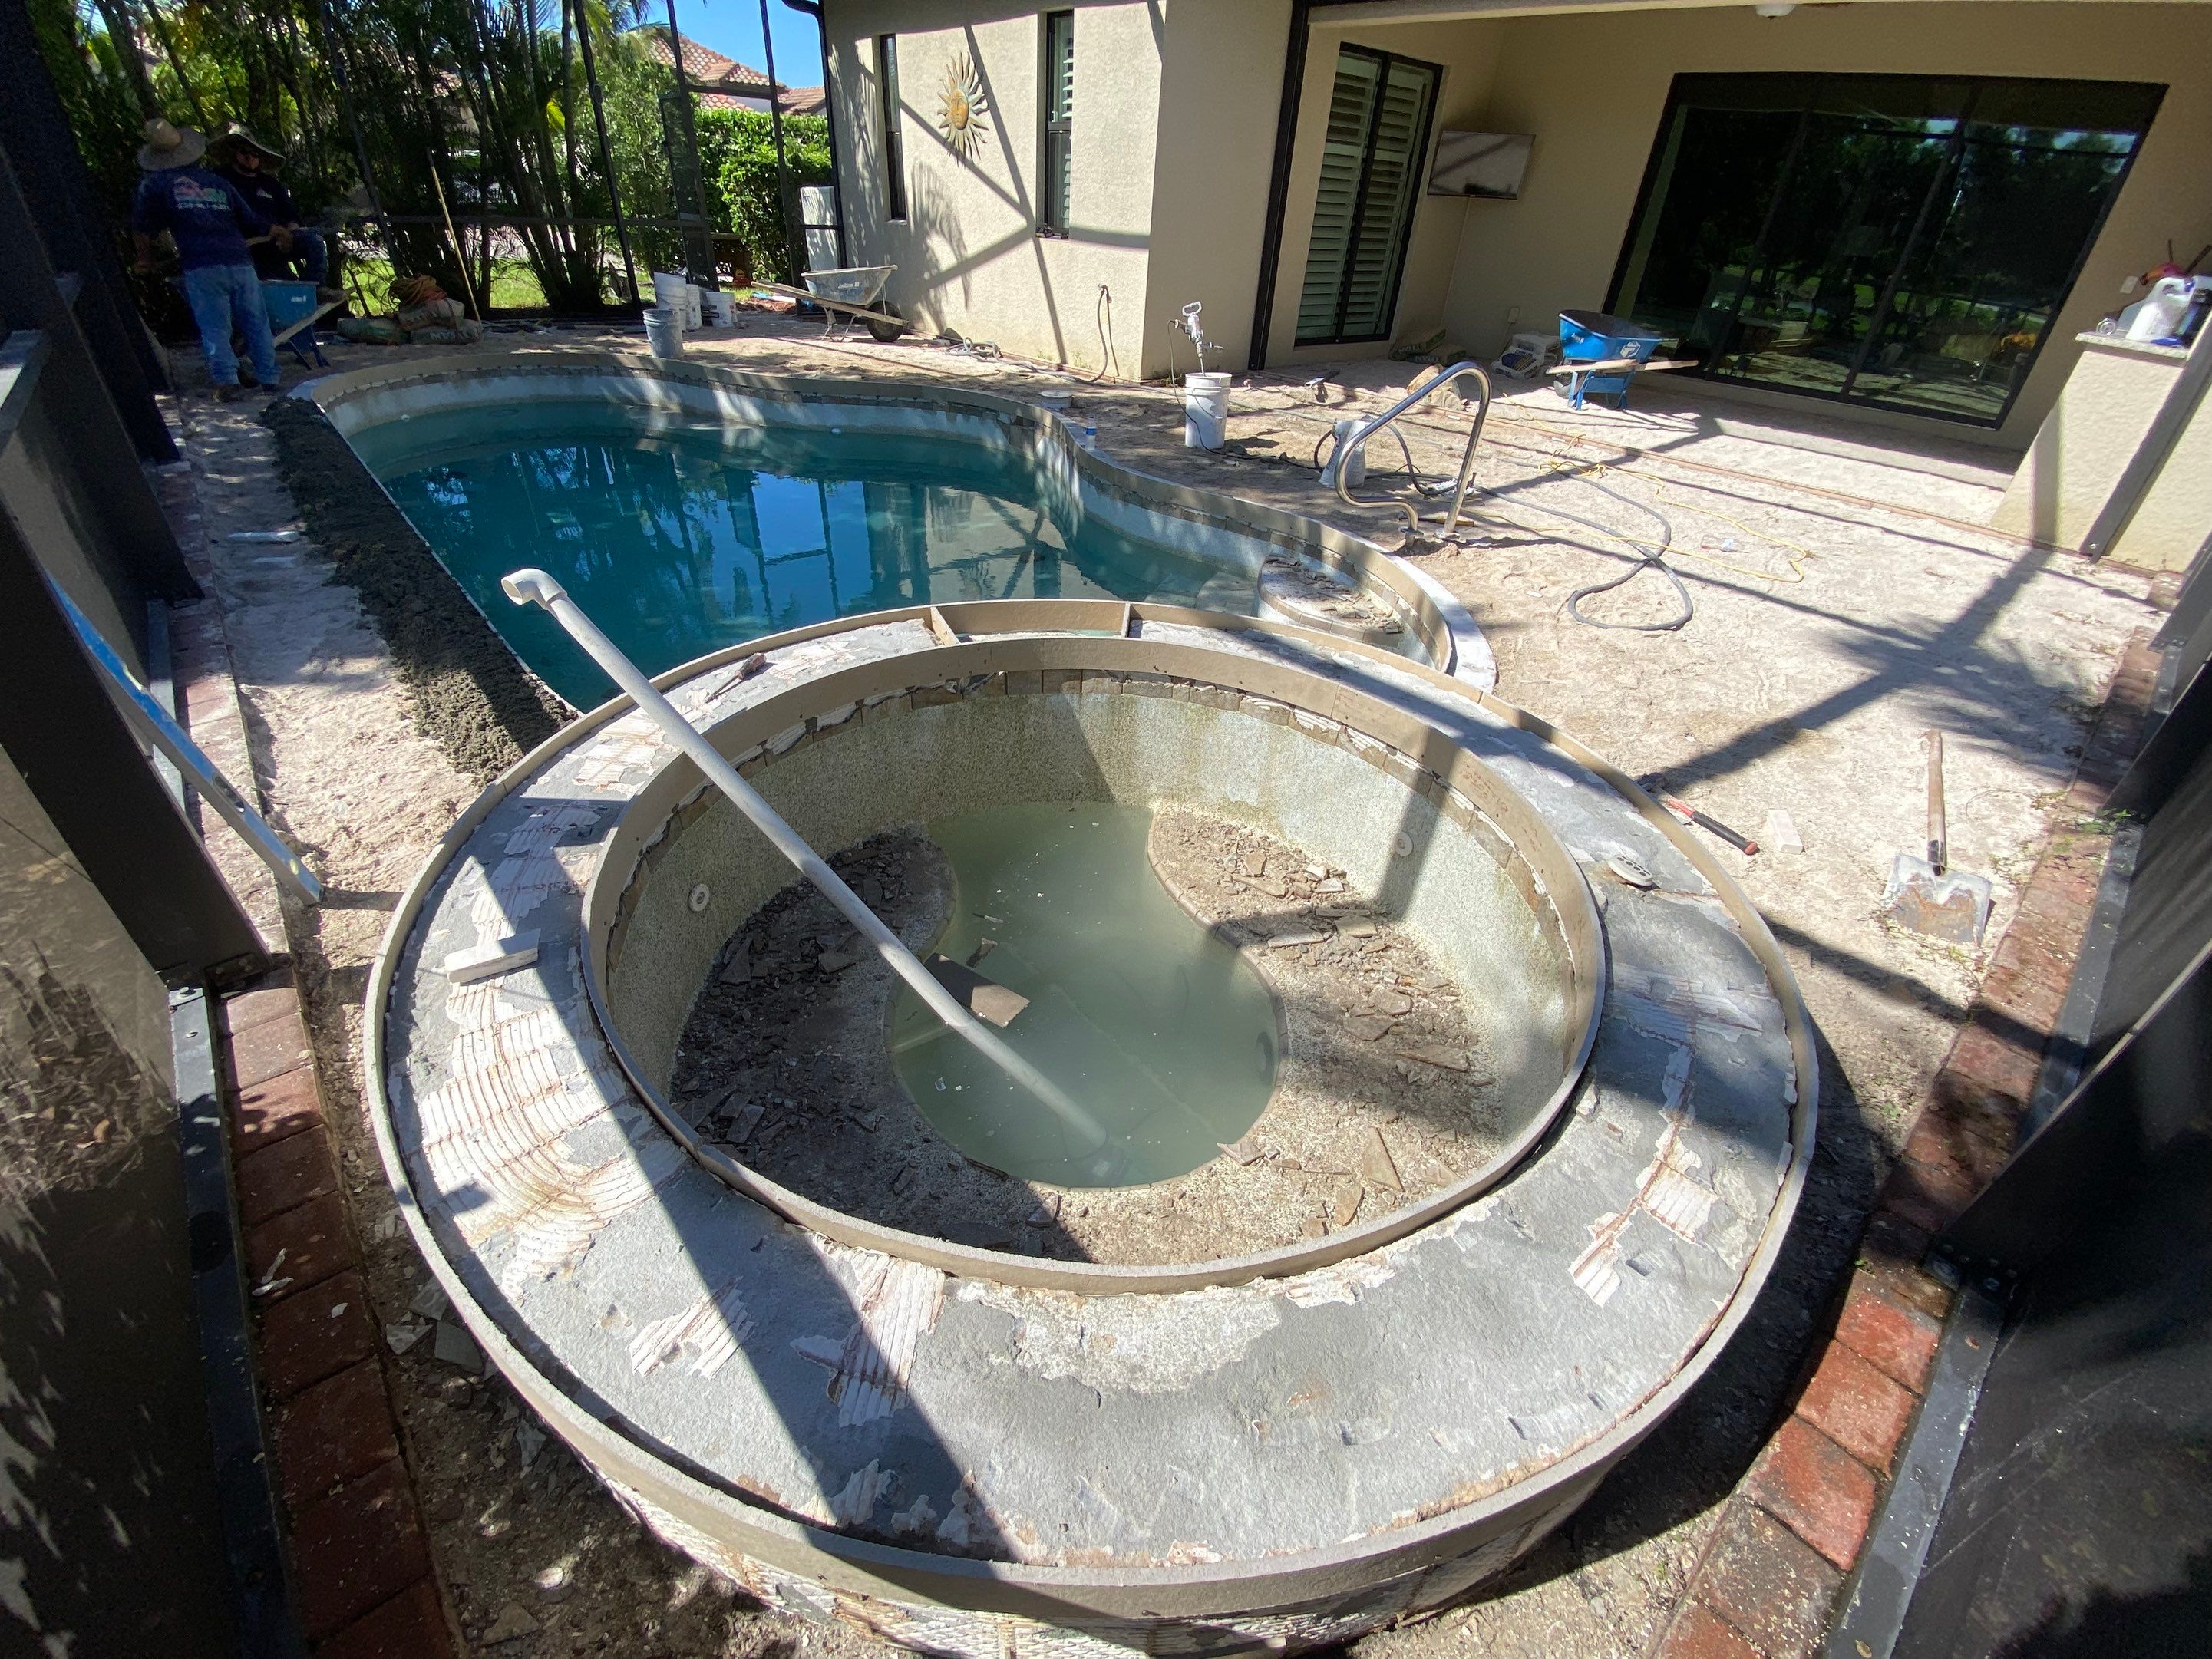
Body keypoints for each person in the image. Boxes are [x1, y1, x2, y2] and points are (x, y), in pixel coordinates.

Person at [130, 118, 288, 401]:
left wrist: (145, 260)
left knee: (215, 325)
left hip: (202, 266)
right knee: (256, 322)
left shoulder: (155, 186)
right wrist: (275, 229)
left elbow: (143, 229)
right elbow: (250, 220)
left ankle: (228, 381)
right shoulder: (217, 182)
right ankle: (269, 377)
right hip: (240, 262)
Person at [213, 125, 336, 298]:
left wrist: (292, 227)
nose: (250, 158)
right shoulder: (222, 181)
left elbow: (289, 212)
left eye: (254, 154)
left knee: (315, 240)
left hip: (280, 239)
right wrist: (270, 230)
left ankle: (317, 289)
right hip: (247, 245)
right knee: (279, 286)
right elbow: (236, 215)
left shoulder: (270, 183)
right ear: (234, 153)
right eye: (244, 152)